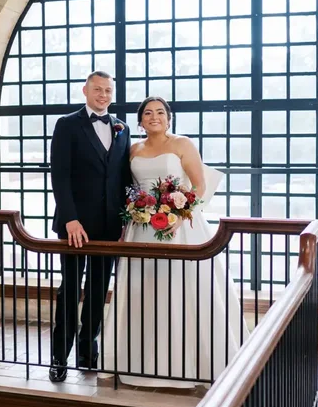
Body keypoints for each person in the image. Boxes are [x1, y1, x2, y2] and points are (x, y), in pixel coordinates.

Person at [99, 96, 249, 389]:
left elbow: (199, 184)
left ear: (169, 118)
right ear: (140, 120)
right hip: (141, 228)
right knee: (144, 291)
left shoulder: (182, 144)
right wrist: (135, 212)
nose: (154, 117)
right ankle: (140, 363)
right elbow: (129, 188)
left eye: (160, 112)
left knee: (183, 288)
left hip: (181, 226)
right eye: (147, 113)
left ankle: (195, 365)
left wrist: (180, 215)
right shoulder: (133, 149)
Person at [48, 71, 131, 383]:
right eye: (98, 89)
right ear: (85, 90)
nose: (103, 95)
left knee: (97, 292)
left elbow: (123, 178)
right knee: (69, 291)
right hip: (74, 225)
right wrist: (70, 218)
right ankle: (59, 357)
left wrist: (124, 222)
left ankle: (87, 353)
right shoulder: (67, 124)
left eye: (108, 90)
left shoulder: (122, 129)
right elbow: (60, 175)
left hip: (109, 227)